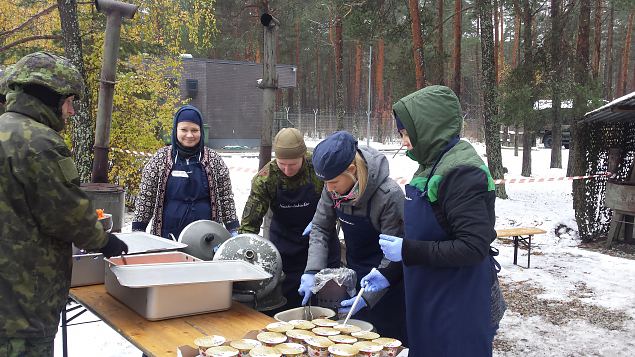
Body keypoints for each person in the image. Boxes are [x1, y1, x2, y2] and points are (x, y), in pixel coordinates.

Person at [0, 51, 128, 356]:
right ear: (49, 97)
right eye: (69, 101)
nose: (70, 112)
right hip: (22, 299)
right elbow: (65, 213)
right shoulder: (39, 142)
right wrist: (104, 240)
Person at [366, 85, 504, 356]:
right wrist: (388, 272)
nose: (404, 141)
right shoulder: (431, 164)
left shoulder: (462, 173)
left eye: (406, 133)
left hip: (457, 305)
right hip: (430, 298)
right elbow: (428, 235)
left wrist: (406, 251)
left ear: (428, 128)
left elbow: (473, 247)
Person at [298, 131, 407, 343]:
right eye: (325, 183)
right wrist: (312, 271)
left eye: (334, 182)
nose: (329, 189)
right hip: (356, 275)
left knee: (384, 341)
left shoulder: (388, 196)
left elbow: (394, 258)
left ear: (351, 170)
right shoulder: (332, 187)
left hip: (387, 280)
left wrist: (368, 297)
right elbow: (320, 226)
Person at [239, 128, 341, 312]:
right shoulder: (265, 179)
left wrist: (325, 221)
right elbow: (249, 225)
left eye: (292, 164)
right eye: (281, 163)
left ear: (303, 156)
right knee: (286, 309)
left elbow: (339, 200)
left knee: (325, 311)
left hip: (321, 244)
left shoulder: (318, 169)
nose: (287, 170)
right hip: (285, 249)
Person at [133, 105, 239, 239]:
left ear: (201, 131)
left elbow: (225, 197)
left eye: (194, 130)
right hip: (168, 234)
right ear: (175, 130)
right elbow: (146, 197)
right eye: (184, 129)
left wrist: (233, 228)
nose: (189, 135)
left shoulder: (214, 160)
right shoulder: (160, 159)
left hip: (207, 237)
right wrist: (138, 228)